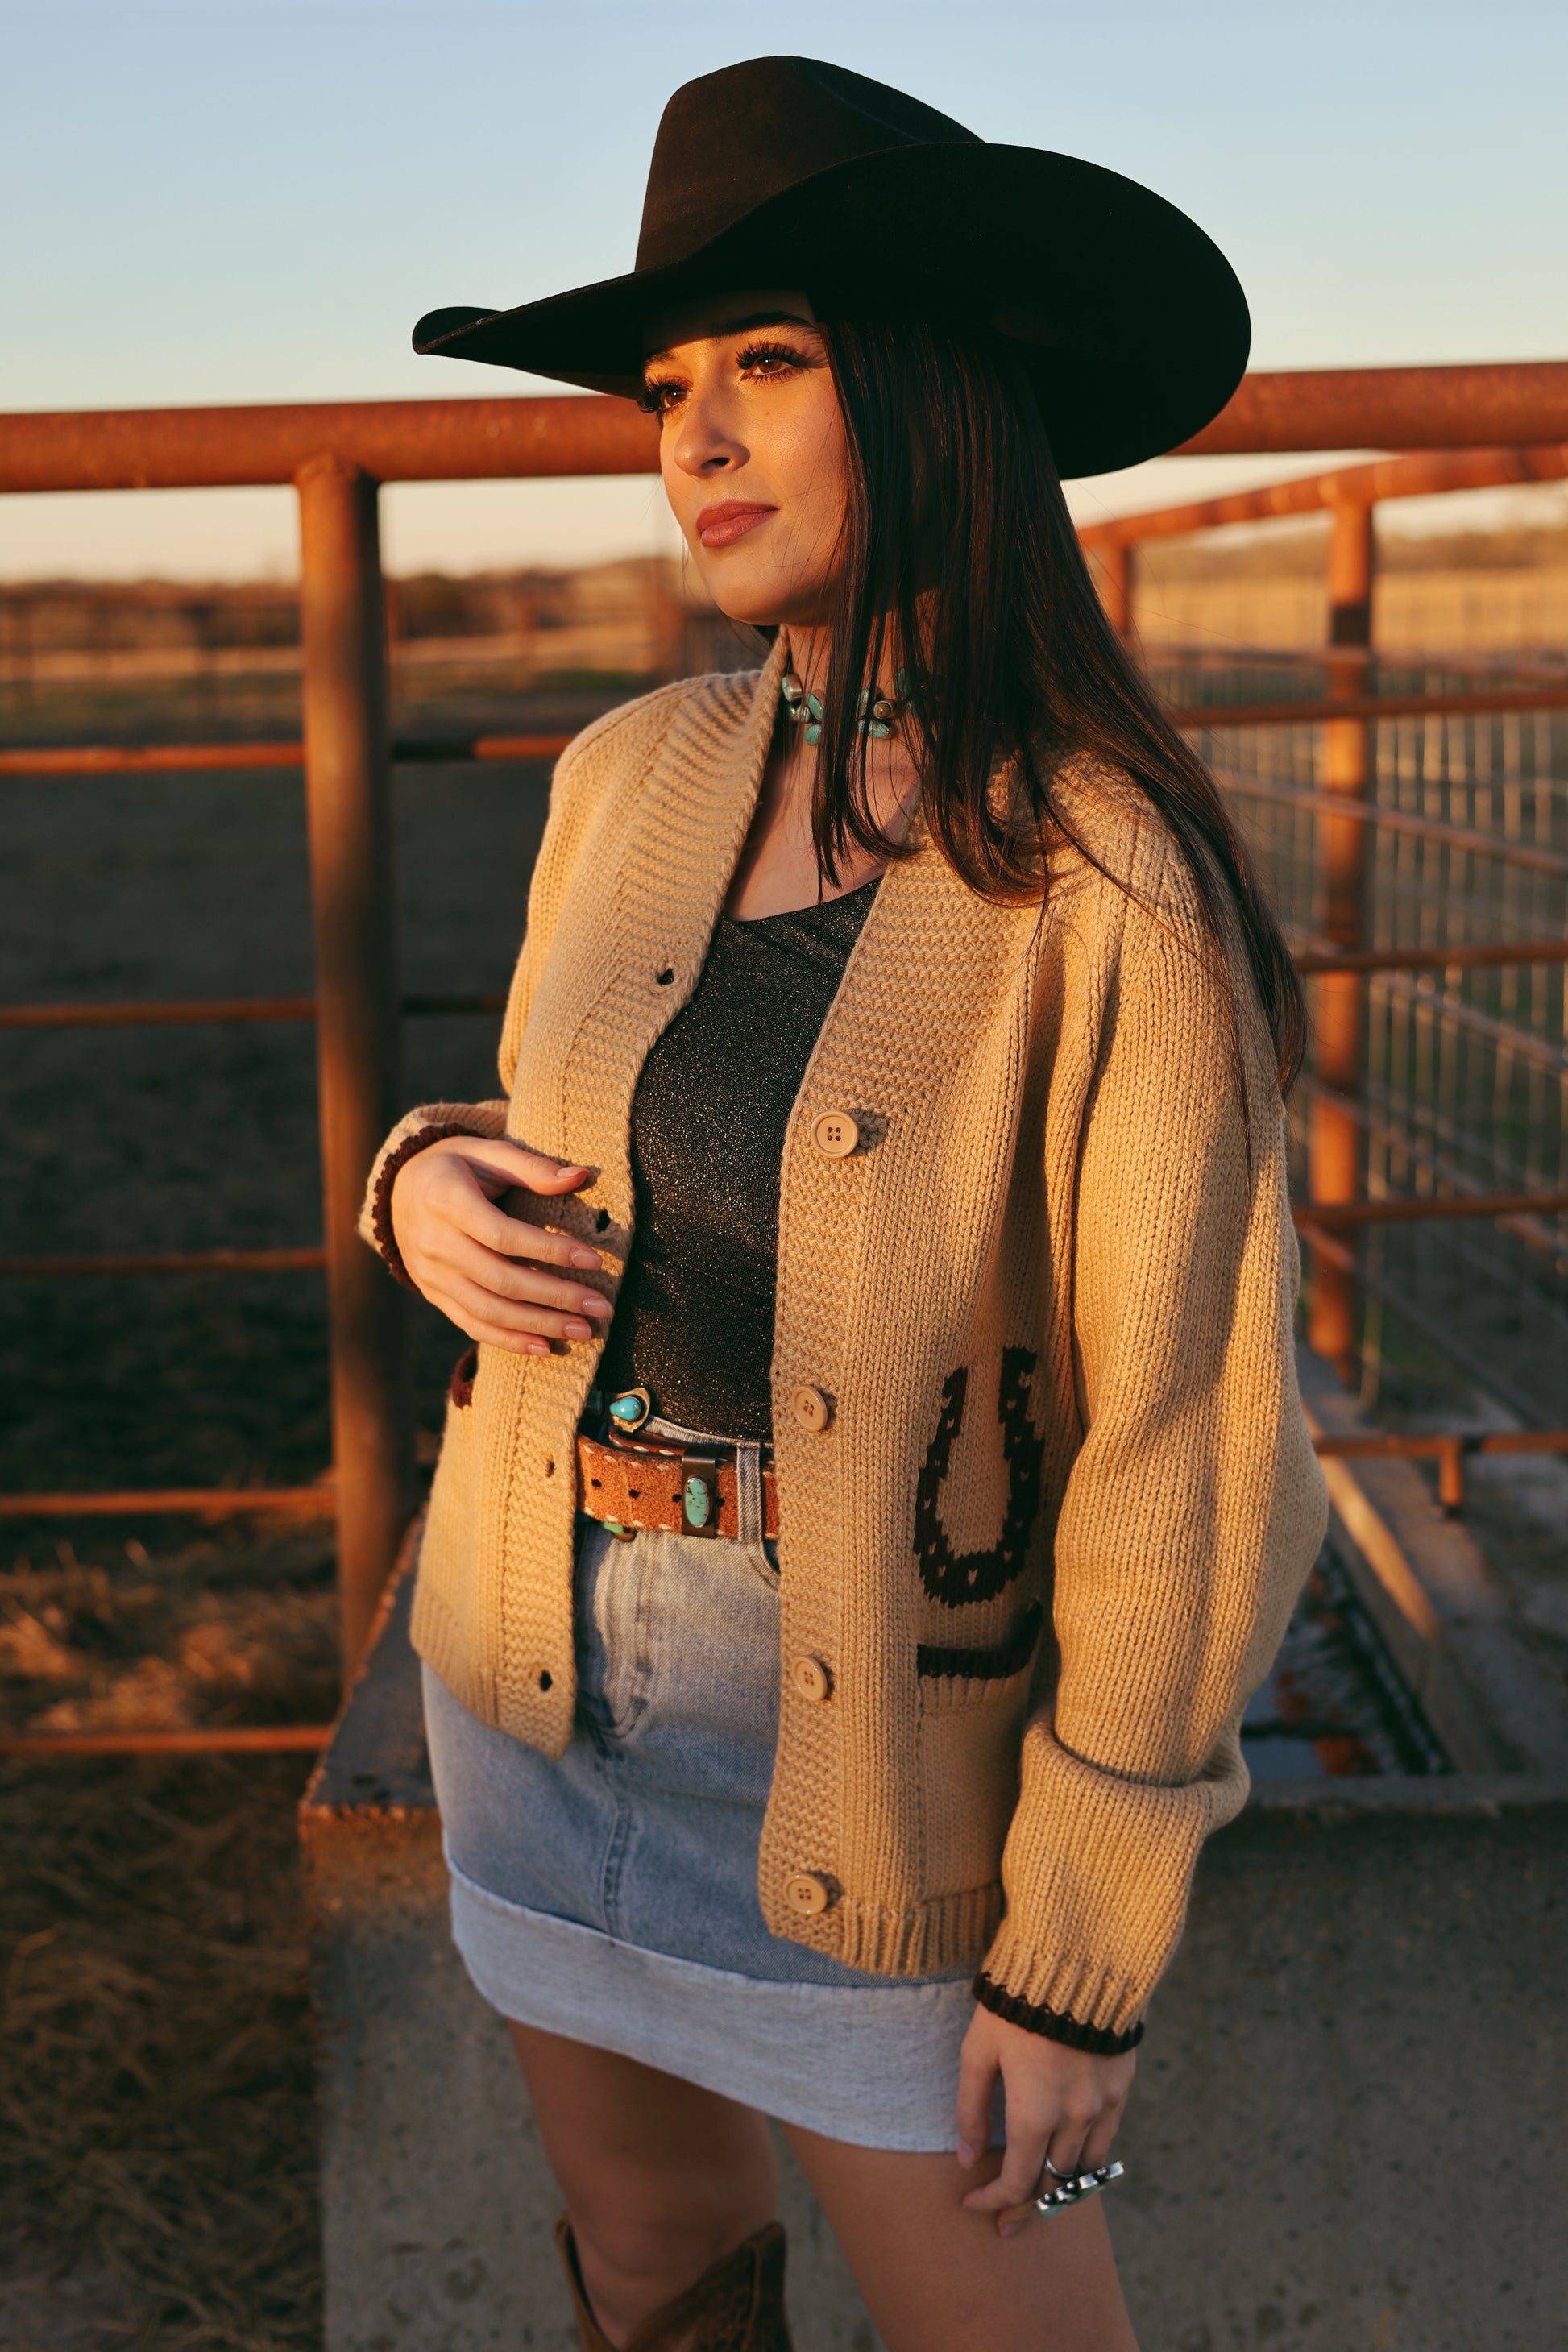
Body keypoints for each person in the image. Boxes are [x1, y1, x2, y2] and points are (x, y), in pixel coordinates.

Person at [362, 56, 1329, 2352]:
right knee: (650, 2267)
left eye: (765, 364)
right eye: (662, 390)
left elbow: (1187, 1452)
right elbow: (569, 1128)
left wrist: (1080, 1952)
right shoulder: (626, 772)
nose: (690, 439)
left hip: (881, 1777)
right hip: (528, 1691)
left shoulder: (1104, 874)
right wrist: (419, 1186)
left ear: (931, 389)